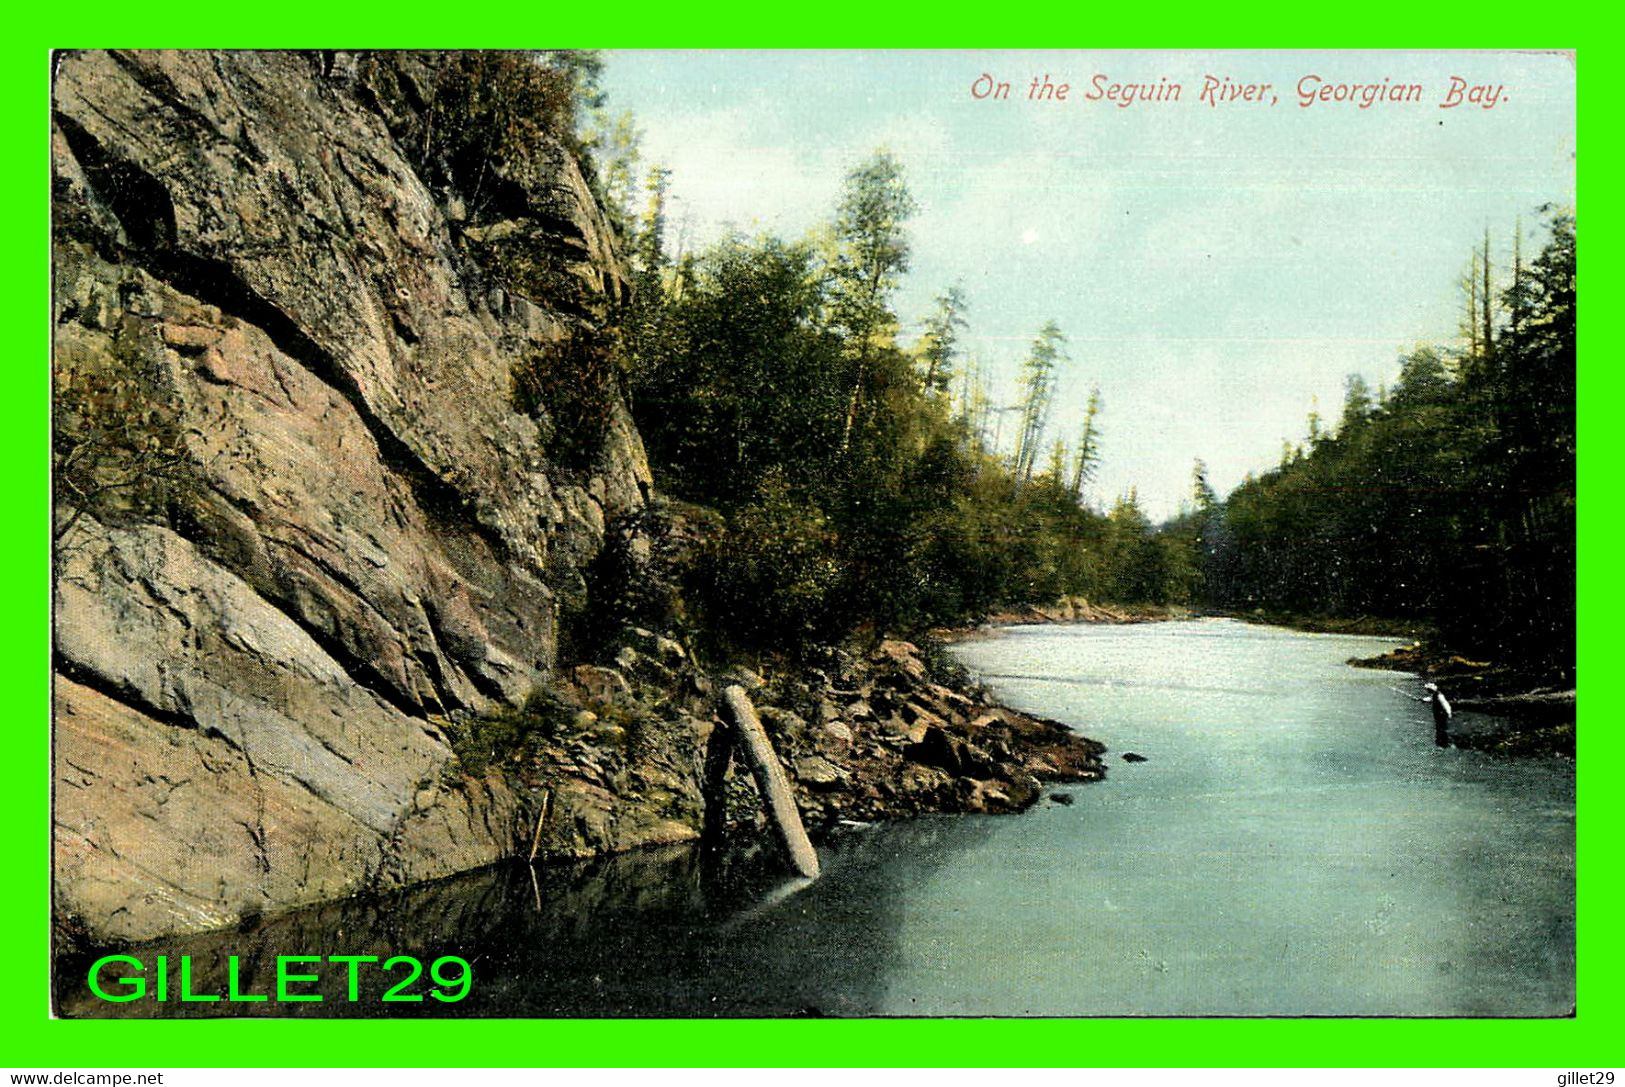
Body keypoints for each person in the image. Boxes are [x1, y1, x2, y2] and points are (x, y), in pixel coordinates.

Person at [1424, 682, 1453, 747]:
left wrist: (1449, 713)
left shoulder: (1439, 695)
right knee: (1439, 728)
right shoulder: (1435, 694)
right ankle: (1440, 742)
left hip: (1441, 715)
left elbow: (1445, 704)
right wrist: (1424, 700)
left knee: (1442, 728)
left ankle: (1444, 743)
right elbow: (1431, 699)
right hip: (1438, 715)